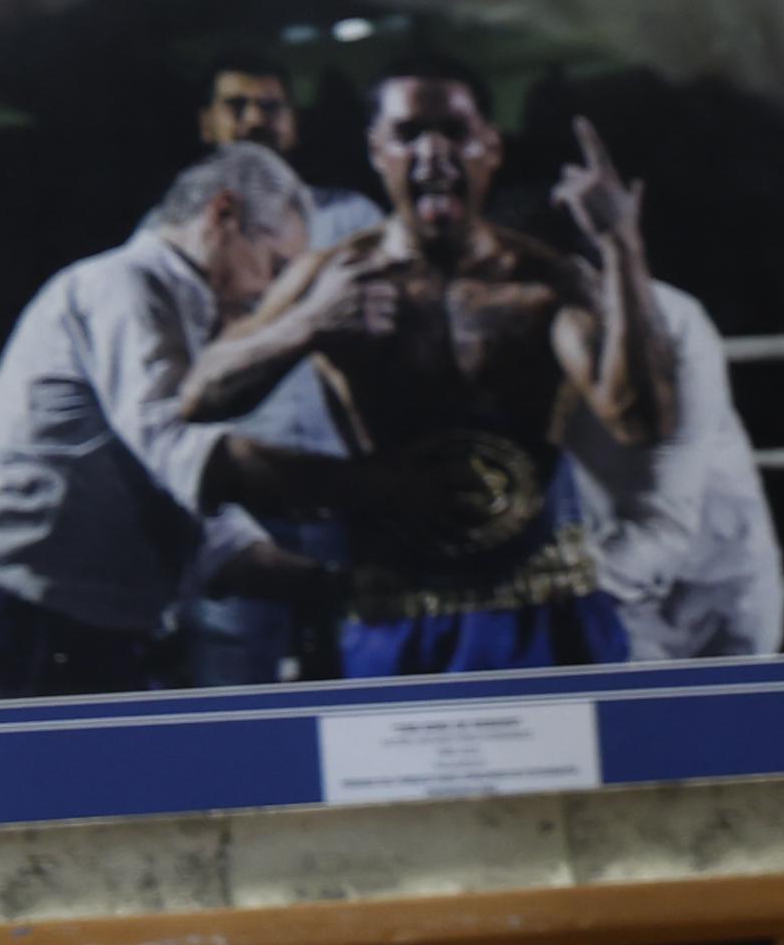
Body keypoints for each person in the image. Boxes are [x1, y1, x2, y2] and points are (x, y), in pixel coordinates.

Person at [207, 60, 665, 674]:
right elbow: (202, 394)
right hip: (394, 609)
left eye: (454, 131)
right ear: (377, 151)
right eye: (408, 134)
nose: (433, 152)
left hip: (546, 603)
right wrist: (307, 324)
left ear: (490, 147)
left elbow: (638, 421)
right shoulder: (332, 277)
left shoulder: (546, 281)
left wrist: (621, 246)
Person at [0, 143, 352, 698]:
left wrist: (327, 585)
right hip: (11, 613)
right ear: (223, 215)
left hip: (57, 618)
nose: (269, 293)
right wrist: (364, 489)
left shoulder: (179, 312)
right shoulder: (124, 287)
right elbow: (184, 456)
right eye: (276, 267)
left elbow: (203, 523)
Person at [177, 52, 380, 687]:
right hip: (234, 504)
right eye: (236, 106)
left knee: (352, 679)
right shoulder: (176, 229)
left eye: (271, 106)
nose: (254, 119)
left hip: (336, 500)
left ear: (294, 124)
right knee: (236, 687)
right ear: (207, 123)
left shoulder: (350, 218)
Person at [560, 268, 784, 660]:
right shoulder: (485, 328)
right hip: (611, 594)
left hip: (718, 574)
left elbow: (666, 523)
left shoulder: (669, 316)